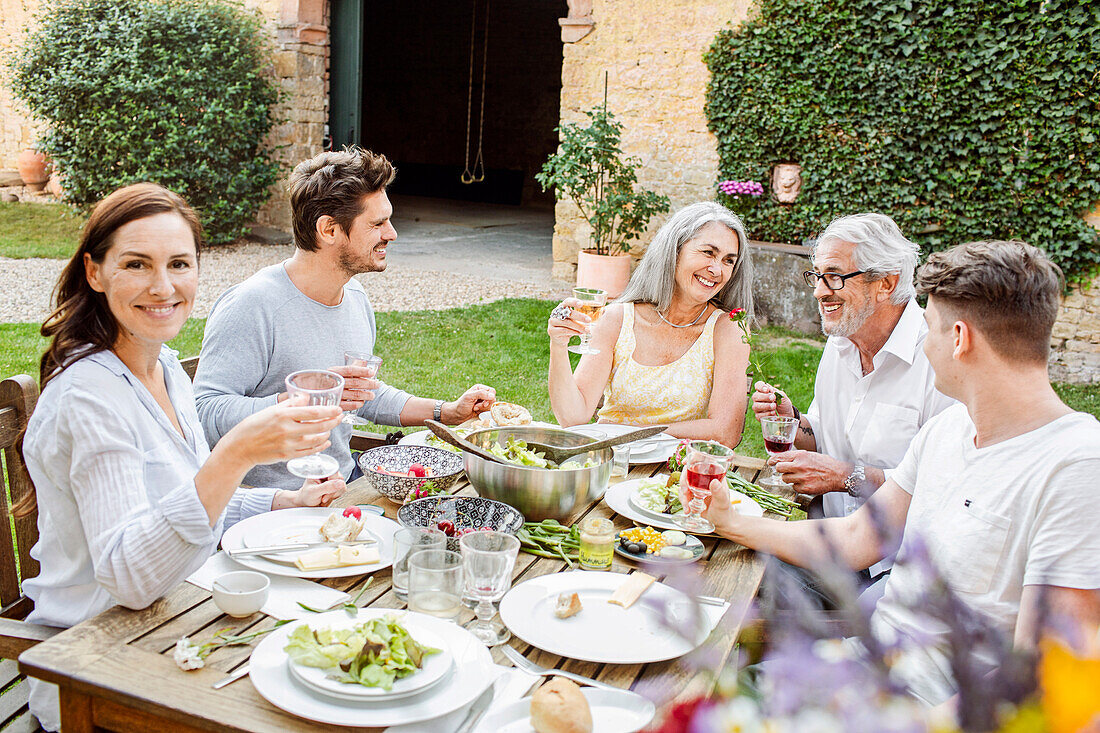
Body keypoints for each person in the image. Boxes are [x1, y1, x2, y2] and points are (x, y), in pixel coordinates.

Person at [700, 239, 1100, 707]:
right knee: (693, 686)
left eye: (927, 327)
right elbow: (856, 539)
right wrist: (732, 523)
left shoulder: (1077, 466)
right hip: (863, 672)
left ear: (958, 338)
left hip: (922, 710)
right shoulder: (949, 429)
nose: (921, 344)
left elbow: (1050, 679)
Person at [16, 183, 345, 731]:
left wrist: (282, 499)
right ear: (95, 273)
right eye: (137, 264)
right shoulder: (89, 398)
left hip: (186, 617)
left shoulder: (164, 366)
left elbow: (181, 498)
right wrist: (235, 453)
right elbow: (129, 577)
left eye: (179, 263)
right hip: (95, 665)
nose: (163, 286)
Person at [193, 148, 496, 489]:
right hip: (272, 505)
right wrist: (297, 402)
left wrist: (446, 412)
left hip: (341, 481)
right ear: (329, 229)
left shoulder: (354, 297)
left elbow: (362, 393)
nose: (392, 233)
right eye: (378, 223)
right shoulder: (252, 306)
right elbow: (203, 412)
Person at [752, 213, 955, 598]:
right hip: (829, 545)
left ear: (886, 283)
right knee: (721, 557)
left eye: (835, 276)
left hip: (895, 570)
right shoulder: (842, 341)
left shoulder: (938, 359)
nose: (819, 291)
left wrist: (847, 476)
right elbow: (824, 437)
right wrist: (793, 421)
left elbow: (941, 492)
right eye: (816, 275)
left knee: (738, 577)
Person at [547, 202, 754, 449]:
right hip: (609, 465)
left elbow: (724, 432)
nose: (716, 269)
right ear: (674, 251)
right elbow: (574, 418)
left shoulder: (728, 330)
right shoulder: (617, 319)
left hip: (676, 476)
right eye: (708, 253)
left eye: (728, 260)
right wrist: (558, 345)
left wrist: (628, 434)